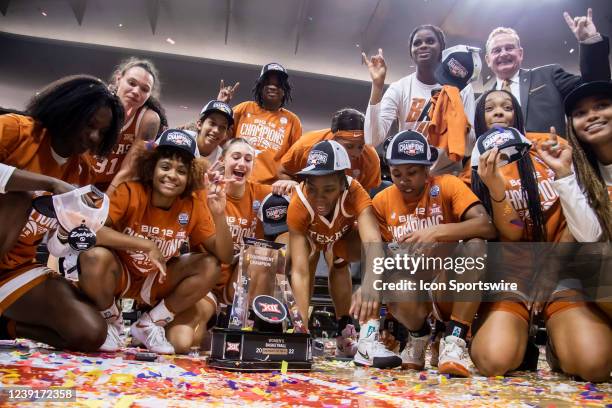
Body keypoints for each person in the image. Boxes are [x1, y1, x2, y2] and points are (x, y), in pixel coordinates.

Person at [469, 90, 611, 382]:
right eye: (490, 108)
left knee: (593, 366)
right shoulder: (472, 172)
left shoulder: (550, 146)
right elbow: (513, 232)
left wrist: (550, 271)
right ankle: (522, 343)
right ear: (478, 121)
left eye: (507, 107)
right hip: (514, 273)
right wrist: (496, 188)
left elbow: (581, 216)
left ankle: (557, 348)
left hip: (564, 267)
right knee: (493, 362)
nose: (499, 112)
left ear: (517, 115)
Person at [77, 129, 234, 353]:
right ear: (152, 168)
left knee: (210, 265)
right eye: (165, 166)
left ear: (190, 176)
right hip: (121, 275)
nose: (172, 175)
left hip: (157, 279)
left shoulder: (192, 204)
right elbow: (93, 232)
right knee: (93, 256)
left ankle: (150, 323)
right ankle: (112, 321)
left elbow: (225, 256)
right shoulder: (130, 191)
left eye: (181, 171)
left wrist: (219, 214)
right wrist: (146, 245)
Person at [0, 75, 124, 351]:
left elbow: (53, 246)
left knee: (91, 332)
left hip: (17, 269)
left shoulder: (82, 170)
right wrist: (48, 183)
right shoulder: (16, 130)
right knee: (18, 198)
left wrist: (69, 232)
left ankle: (7, 327)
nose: (93, 137)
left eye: (102, 132)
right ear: (70, 110)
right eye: (89, 125)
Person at [373, 130, 495, 376]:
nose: (403, 180)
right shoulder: (382, 201)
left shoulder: (448, 184)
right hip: (412, 282)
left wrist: (438, 231)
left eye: (412, 173)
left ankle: (454, 339)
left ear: (427, 170)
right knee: (392, 284)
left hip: (448, 283)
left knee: (476, 245)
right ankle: (418, 337)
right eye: (396, 173)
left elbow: (486, 226)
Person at [286, 140, 399, 368]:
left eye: (328, 190)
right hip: (311, 238)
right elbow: (298, 272)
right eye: (313, 188)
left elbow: (373, 242)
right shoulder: (299, 203)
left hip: (341, 240)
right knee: (304, 262)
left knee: (365, 255)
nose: (319, 198)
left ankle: (360, 337)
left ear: (342, 183)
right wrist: (301, 328)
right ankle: (300, 332)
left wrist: (370, 283)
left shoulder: (356, 192)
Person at [536, 80, 612, 319]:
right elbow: (589, 236)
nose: (591, 116)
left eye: (602, 105)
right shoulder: (580, 171)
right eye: (580, 113)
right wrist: (563, 173)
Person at [362, 25, 476, 175]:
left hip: (448, 178)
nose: (423, 45)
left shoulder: (461, 87)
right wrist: (377, 86)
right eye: (417, 43)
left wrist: (454, 111)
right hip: (411, 178)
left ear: (442, 49)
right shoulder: (399, 88)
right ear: (411, 52)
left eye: (430, 41)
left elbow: (469, 148)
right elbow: (371, 139)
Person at [484, 8, 610, 136]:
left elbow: (593, 87)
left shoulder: (549, 75)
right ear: (488, 60)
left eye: (509, 48)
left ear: (520, 53)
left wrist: (590, 42)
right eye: (497, 50)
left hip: (554, 154)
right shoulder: (482, 102)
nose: (504, 53)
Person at [222, 63, 302, 185]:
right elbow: (221, 137)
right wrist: (222, 105)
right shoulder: (244, 108)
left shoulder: (292, 121)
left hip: (268, 189)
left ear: (284, 91)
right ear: (260, 87)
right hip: (235, 180)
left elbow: (295, 161)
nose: (272, 87)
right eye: (268, 83)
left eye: (278, 84)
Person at [94, 58, 163, 192]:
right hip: (76, 179)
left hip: (113, 186)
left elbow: (130, 168)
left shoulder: (149, 120)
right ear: (119, 78)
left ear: (149, 95)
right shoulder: (96, 104)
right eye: (131, 83)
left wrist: (106, 199)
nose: (136, 91)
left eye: (144, 89)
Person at [279, 108, 381, 191]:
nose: (356, 154)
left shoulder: (370, 158)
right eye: (349, 146)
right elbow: (282, 171)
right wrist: (295, 187)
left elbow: (365, 192)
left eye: (360, 146)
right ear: (334, 138)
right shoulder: (306, 145)